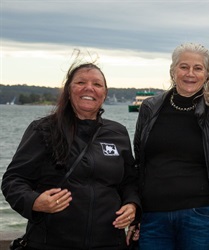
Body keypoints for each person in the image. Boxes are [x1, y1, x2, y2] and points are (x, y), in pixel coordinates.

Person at [2, 54, 141, 250]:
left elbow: (130, 181)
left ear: (105, 93)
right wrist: (34, 201)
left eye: (97, 84)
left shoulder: (117, 132)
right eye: (81, 82)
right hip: (51, 242)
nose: (89, 88)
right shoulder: (44, 129)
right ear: (68, 90)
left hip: (109, 242)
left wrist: (133, 204)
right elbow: (13, 180)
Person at [128, 42, 209, 250]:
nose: (190, 73)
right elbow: (140, 166)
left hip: (200, 219)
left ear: (207, 75)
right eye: (184, 66)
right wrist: (137, 215)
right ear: (173, 71)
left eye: (198, 68)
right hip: (153, 220)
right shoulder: (149, 109)